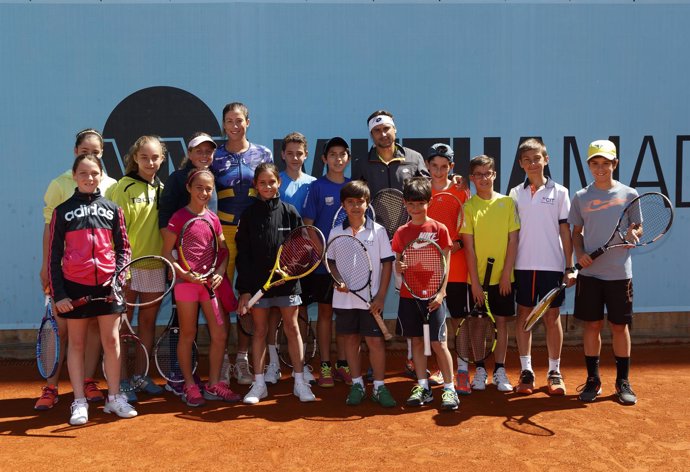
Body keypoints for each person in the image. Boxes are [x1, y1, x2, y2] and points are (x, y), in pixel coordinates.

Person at [48, 154, 136, 425]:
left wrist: (118, 280)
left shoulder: (112, 209)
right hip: (74, 287)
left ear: (101, 176)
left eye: (94, 173)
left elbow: (124, 249)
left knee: (111, 341)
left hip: (108, 286)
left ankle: (114, 398)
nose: (89, 178)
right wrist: (59, 294)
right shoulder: (61, 211)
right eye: (83, 173)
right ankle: (79, 402)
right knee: (76, 343)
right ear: (74, 176)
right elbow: (54, 256)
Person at [35, 129, 116, 410]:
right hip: (66, 273)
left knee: (94, 329)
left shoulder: (111, 185)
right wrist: (48, 267)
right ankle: (51, 386)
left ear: (102, 154)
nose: (89, 156)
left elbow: (115, 236)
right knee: (61, 331)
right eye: (84, 151)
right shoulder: (59, 184)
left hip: (100, 276)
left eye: (95, 152)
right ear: (75, 152)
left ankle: (88, 381)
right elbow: (51, 229)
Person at [236, 163, 316, 404]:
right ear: (256, 186)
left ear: (278, 183)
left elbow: (302, 248)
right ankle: (259, 384)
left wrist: (291, 270)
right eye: (262, 183)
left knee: (292, 328)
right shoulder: (248, 216)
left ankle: (299, 382)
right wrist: (245, 290)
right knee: (260, 331)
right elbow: (244, 255)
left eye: (272, 182)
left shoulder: (291, 212)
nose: (268, 186)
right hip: (260, 284)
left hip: (288, 284)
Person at [568, 140, 640, 405]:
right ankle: (593, 379)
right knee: (593, 325)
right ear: (588, 165)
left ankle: (623, 382)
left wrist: (634, 232)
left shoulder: (629, 194)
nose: (601, 168)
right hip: (590, 274)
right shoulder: (580, 197)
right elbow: (576, 234)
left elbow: (637, 227)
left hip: (620, 273)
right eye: (595, 164)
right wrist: (580, 253)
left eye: (606, 164)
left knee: (619, 327)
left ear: (615, 164)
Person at [162, 169, 240, 406]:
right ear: (189, 188)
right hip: (186, 285)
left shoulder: (213, 218)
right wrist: (185, 274)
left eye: (209, 189)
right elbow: (166, 253)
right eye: (199, 188)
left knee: (220, 334)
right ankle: (190, 385)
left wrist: (218, 273)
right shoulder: (178, 217)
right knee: (188, 334)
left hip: (208, 284)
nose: (204, 192)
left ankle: (214, 383)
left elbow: (223, 251)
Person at [211, 102, 273, 386]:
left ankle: (243, 359)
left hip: (252, 234)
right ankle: (224, 360)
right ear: (223, 125)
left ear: (248, 122)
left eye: (239, 120)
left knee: (249, 298)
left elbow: (267, 194)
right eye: (229, 121)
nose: (234, 126)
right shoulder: (214, 155)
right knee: (223, 299)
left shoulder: (263, 153)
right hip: (222, 235)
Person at [509, 139, 575, 396]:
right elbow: (511, 234)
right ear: (521, 164)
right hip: (523, 266)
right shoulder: (515, 193)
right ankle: (526, 370)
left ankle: (554, 371)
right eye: (527, 159)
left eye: (537, 158)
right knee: (523, 315)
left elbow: (565, 231)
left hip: (552, 265)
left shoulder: (560, 192)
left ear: (546, 160)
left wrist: (569, 266)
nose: (532, 163)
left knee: (551, 317)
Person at [392, 177, 459, 410]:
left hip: (434, 297)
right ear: (405, 204)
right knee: (418, 343)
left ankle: (449, 389)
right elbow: (398, 263)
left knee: (439, 344)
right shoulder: (401, 232)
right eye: (411, 204)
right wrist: (398, 268)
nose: (416, 208)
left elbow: (445, 263)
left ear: (428, 203)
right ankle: (423, 386)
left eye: (420, 203)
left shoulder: (439, 229)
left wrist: (441, 293)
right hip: (410, 296)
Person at [108, 135, 167, 401]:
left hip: (154, 266)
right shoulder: (123, 187)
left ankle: (141, 377)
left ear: (162, 159)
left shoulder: (163, 189)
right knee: (122, 326)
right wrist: (122, 269)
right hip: (127, 268)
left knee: (147, 323)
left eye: (155, 157)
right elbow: (114, 232)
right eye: (144, 157)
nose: (150, 162)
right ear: (134, 158)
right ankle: (119, 381)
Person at [328, 181, 396, 407]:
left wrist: (380, 297)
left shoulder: (378, 232)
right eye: (351, 202)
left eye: (360, 202)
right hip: (344, 300)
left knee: (375, 342)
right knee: (350, 340)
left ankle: (379, 386)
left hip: (372, 300)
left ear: (367, 204)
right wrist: (338, 281)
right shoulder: (336, 232)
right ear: (343, 205)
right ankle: (357, 384)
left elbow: (387, 264)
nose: (356, 206)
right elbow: (331, 262)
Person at [460, 155, 520, 393]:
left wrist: (506, 274)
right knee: (478, 324)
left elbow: (513, 240)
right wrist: (474, 283)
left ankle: (500, 369)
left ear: (494, 175)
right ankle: (481, 369)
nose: (484, 178)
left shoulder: (507, 203)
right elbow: (469, 248)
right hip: (477, 281)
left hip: (503, 280)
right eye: (478, 175)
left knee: (502, 322)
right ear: (472, 178)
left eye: (488, 173)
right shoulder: (468, 207)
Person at [263, 132, 317, 385]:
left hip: (302, 259)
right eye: (290, 153)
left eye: (300, 153)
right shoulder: (275, 182)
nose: (295, 158)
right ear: (282, 155)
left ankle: (301, 365)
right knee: (273, 311)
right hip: (274, 257)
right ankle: (273, 363)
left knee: (299, 311)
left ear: (306, 155)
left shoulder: (313, 183)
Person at [301, 137, 352, 388]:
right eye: (333, 154)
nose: (338, 158)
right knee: (325, 312)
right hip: (323, 264)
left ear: (348, 158)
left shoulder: (354, 187)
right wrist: (322, 254)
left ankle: (343, 364)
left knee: (344, 314)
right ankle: (325, 365)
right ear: (324, 159)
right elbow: (308, 225)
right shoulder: (317, 187)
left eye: (342, 154)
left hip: (349, 264)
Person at [424, 143, 472, 395]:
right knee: (436, 324)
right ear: (428, 166)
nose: (439, 171)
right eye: (435, 166)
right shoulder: (422, 191)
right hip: (430, 270)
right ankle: (444, 370)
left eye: (444, 167)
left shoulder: (462, 191)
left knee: (458, 321)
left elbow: (467, 227)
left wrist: (457, 244)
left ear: (451, 167)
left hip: (456, 267)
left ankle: (462, 370)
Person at [354, 110, 429, 197]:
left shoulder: (415, 158)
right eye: (377, 130)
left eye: (386, 128)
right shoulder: (361, 164)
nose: (383, 134)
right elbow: (355, 197)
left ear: (395, 129)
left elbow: (426, 192)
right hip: (374, 211)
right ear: (371, 134)